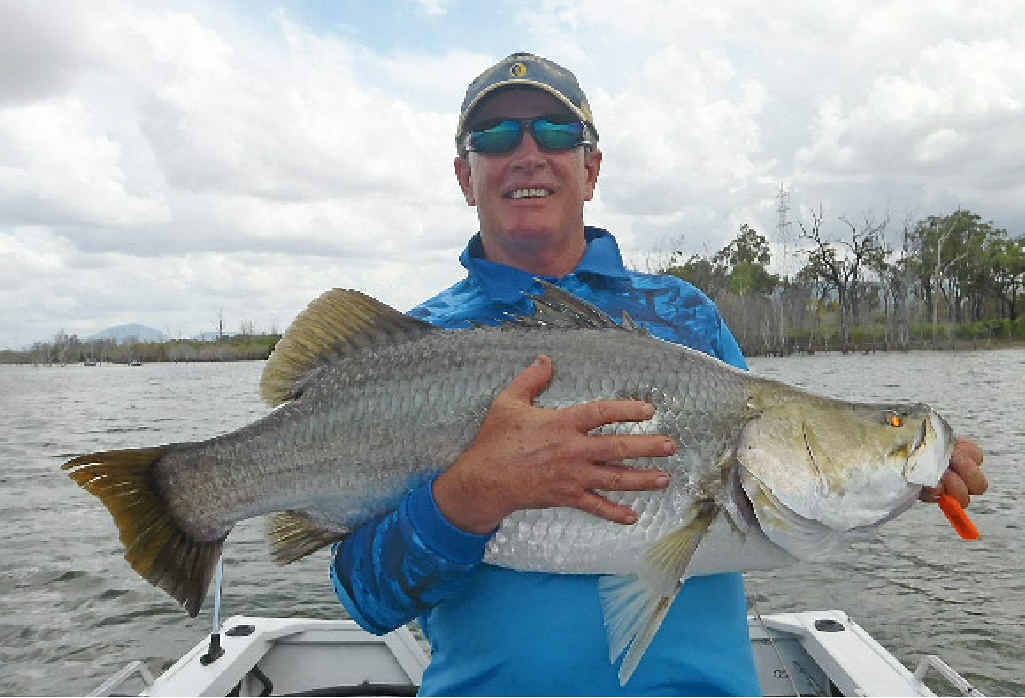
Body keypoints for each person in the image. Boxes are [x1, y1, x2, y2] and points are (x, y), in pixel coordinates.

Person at [330, 52, 988, 695]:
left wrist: (901, 481)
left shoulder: (684, 315)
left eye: (556, 132)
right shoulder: (406, 346)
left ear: (590, 169)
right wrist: (470, 494)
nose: (527, 152)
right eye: (496, 135)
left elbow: (786, 495)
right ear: (463, 174)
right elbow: (367, 601)